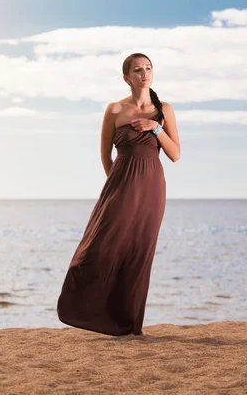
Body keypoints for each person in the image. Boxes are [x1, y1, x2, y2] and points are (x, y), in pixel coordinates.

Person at [56, 52, 181, 337]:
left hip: (152, 189)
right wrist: (118, 187)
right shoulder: (114, 110)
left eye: (148, 68)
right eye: (138, 70)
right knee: (98, 247)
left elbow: (175, 154)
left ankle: (128, 325)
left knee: (139, 253)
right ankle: (85, 311)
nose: (144, 73)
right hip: (121, 187)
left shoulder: (165, 110)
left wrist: (156, 127)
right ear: (127, 78)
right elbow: (105, 156)